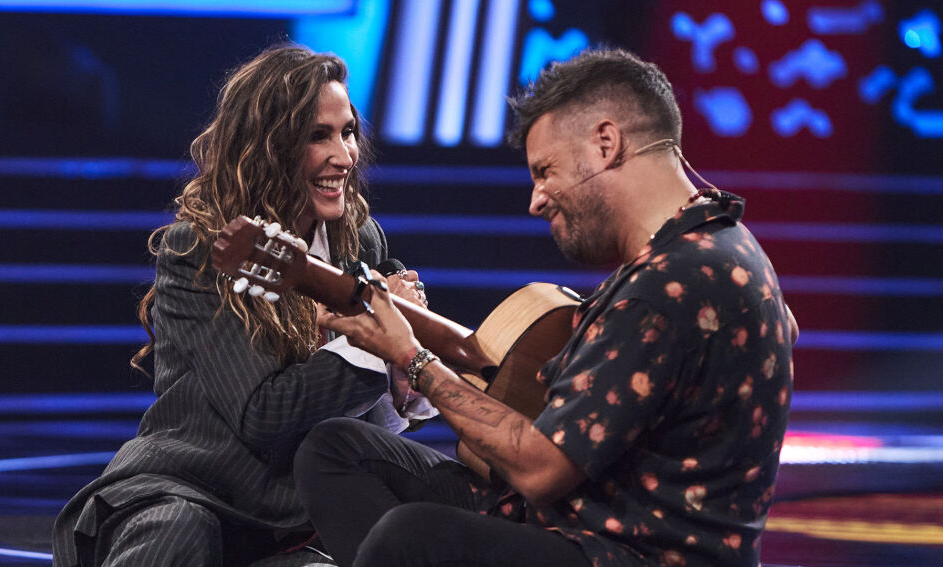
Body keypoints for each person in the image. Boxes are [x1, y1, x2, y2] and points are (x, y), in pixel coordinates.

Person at [293, 48, 797, 567]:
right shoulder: (722, 244)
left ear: (606, 143)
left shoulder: (666, 287)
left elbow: (540, 471)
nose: (535, 199)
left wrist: (412, 359)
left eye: (545, 171)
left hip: (628, 550)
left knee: (411, 537)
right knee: (337, 450)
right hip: (578, 520)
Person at [52, 44, 432, 567]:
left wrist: (407, 370)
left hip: (296, 518)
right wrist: (376, 350)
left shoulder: (359, 242)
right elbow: (264, 415)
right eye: (317, 135)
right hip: (189, 488)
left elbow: (362, 407)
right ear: (269, 147)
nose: (344, 156)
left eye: (347, 132)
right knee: (178, 534)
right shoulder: (200, 247)